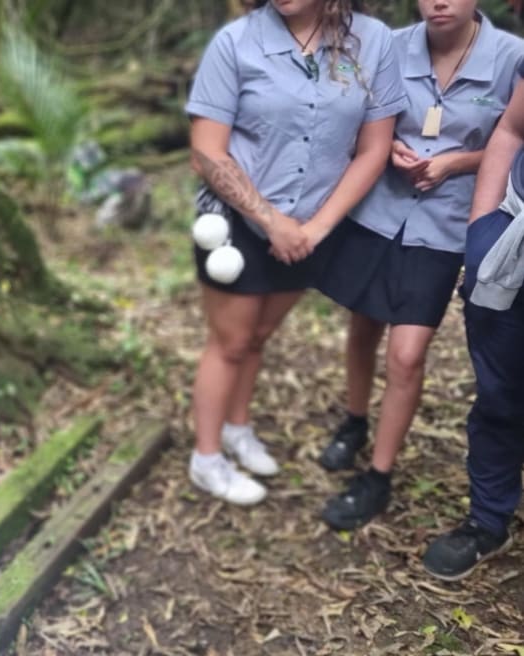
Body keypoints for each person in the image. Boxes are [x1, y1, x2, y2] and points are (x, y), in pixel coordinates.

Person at [184, 0, 407, 504]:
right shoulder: (236, 44)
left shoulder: (373, 42)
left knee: (260, 335)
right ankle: (207, 458)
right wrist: (271, 222)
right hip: (238, 224)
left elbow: (374, 148)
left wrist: (319, 227)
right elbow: (206, 152)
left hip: (313, 227)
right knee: (231, 342)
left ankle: (237, 429)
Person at [314, 1, 524, 531]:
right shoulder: (388, 45)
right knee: (363, 326)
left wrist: (455, 162)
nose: (440, 1)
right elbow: (360, 120)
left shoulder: (510, 57)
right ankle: (355, 420)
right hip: (379, 210)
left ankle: (379, 475)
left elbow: (512, 142)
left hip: (447, 223)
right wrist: (389, 150)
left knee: (406, 355)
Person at [421, 69, 524, 581]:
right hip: (510, 249)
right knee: (500, 394)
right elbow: (512, 129)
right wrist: (482, 232)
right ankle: (488, 519)